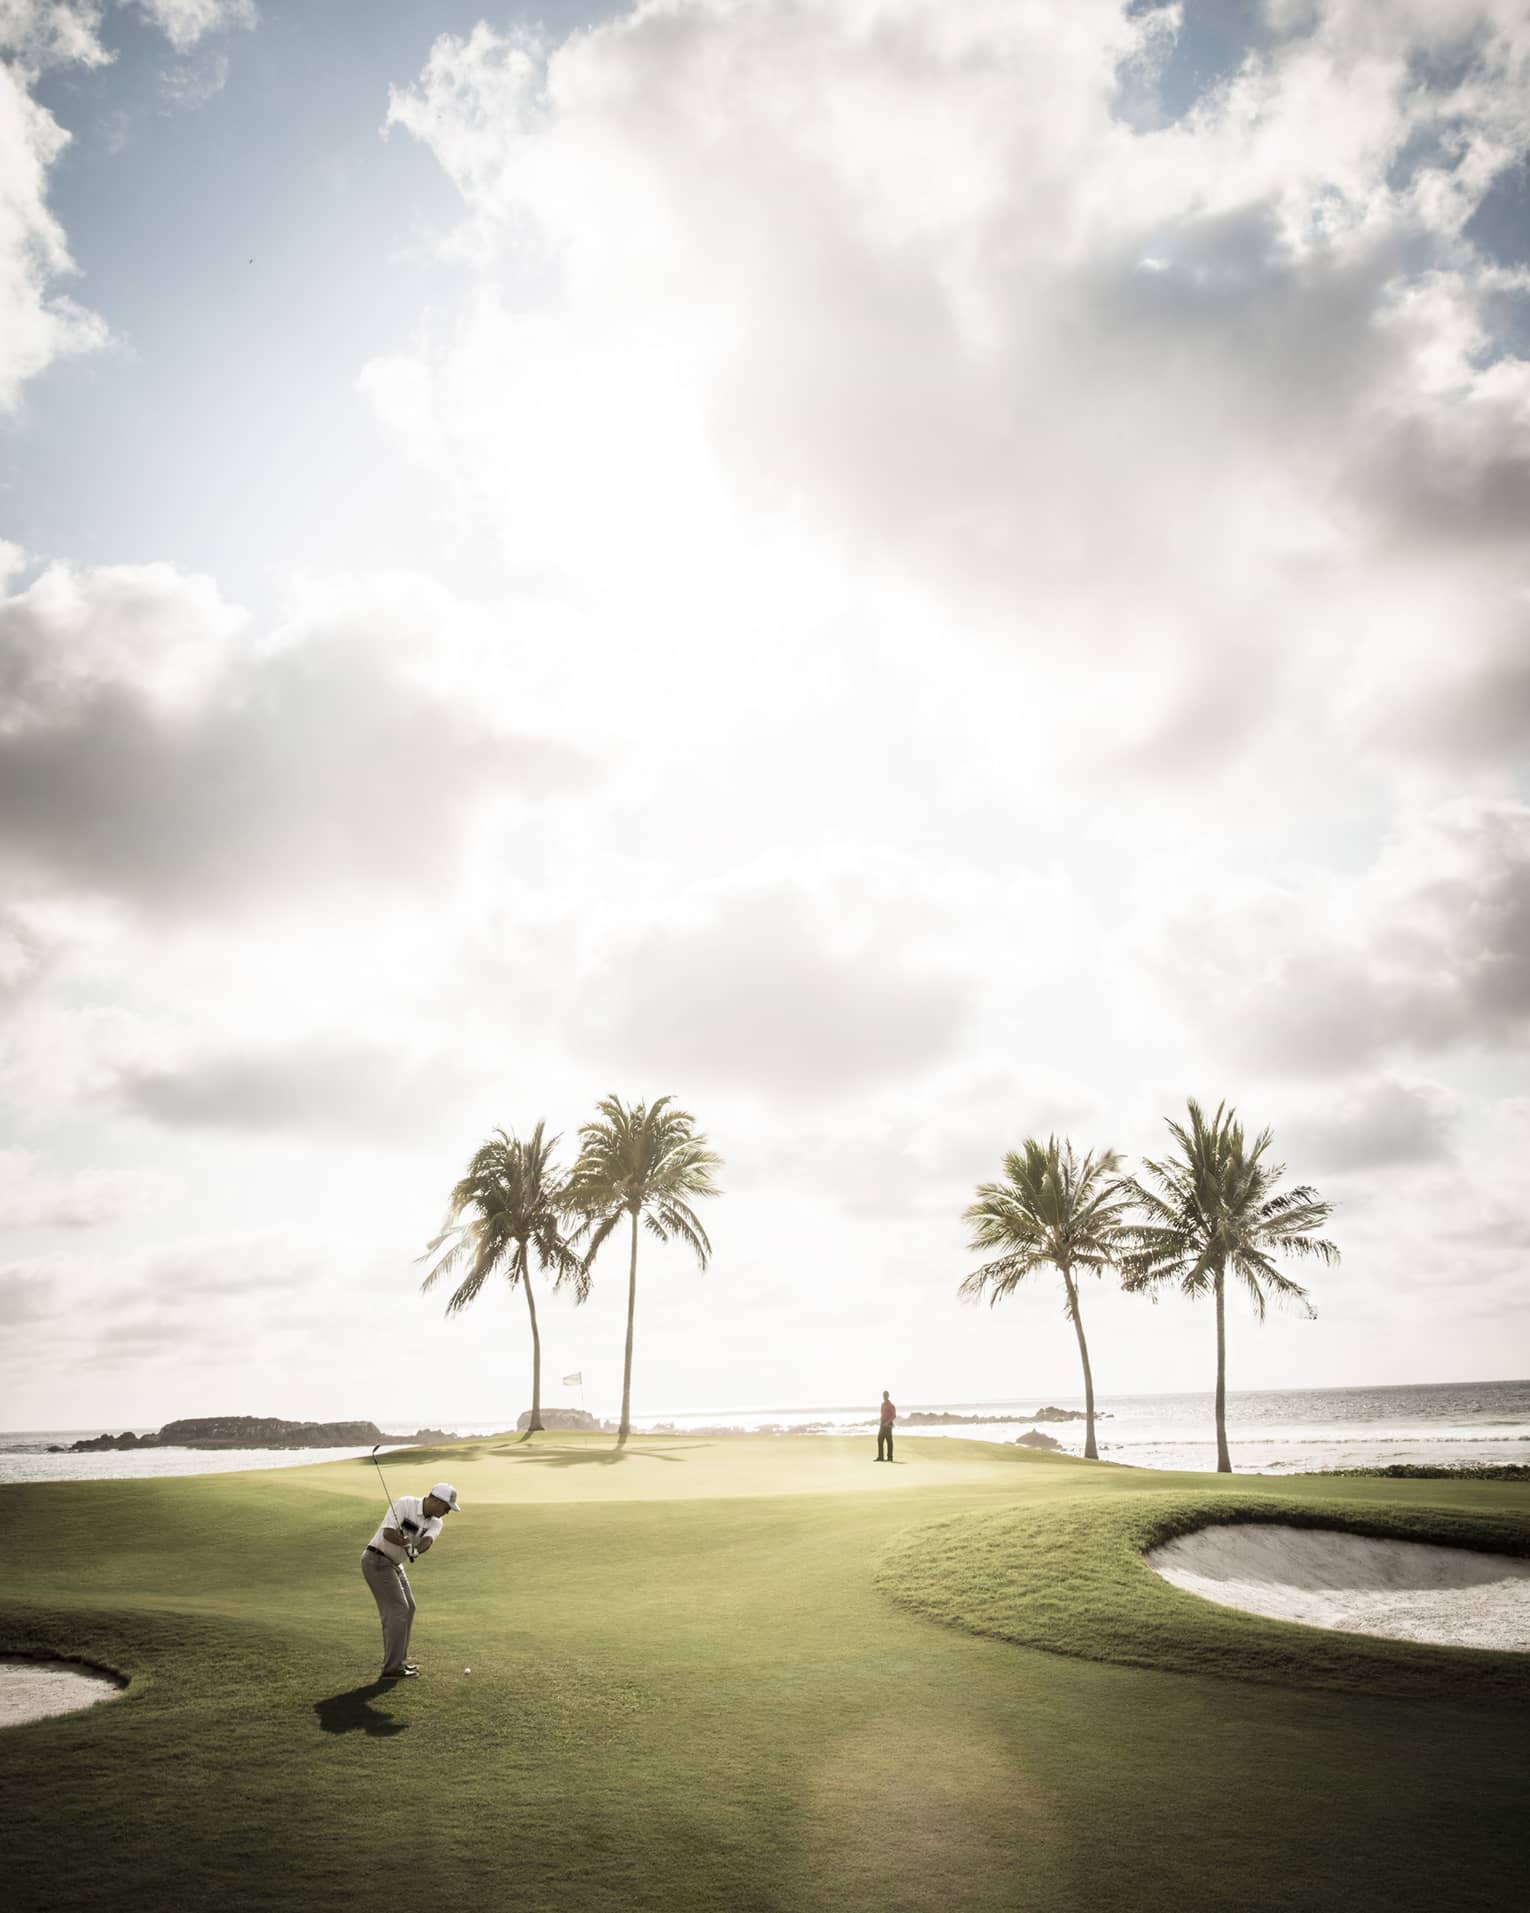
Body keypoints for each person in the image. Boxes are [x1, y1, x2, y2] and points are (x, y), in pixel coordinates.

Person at [361, 1480, 460, 1679]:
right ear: (435, 1500)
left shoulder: (436, 1522)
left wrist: (415, 1550)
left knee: (410, 1608)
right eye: (446, 1507)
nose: (447, 1512)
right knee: (398, 1609)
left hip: (395, 1564)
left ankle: (399, 1661)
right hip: (377, 1560)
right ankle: (392, 1668)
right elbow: (388, 1532)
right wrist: (403, 1542)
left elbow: (427, 1541)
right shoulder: (405, 1504)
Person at [876, 1390, 896, 1462]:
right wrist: (881, 1421)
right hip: (882, 1424)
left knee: (889, 1440)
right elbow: (882, 1414)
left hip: (888, 1424)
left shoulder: (891, 1405)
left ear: (888, 1396)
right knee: (880, 1439)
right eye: (883, 1395)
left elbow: (894, 1415)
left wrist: (888, 1422)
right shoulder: (882, 1404)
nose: (884, 1397)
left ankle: (890, 1457)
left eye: (885, 1395)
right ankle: (880, 1457)